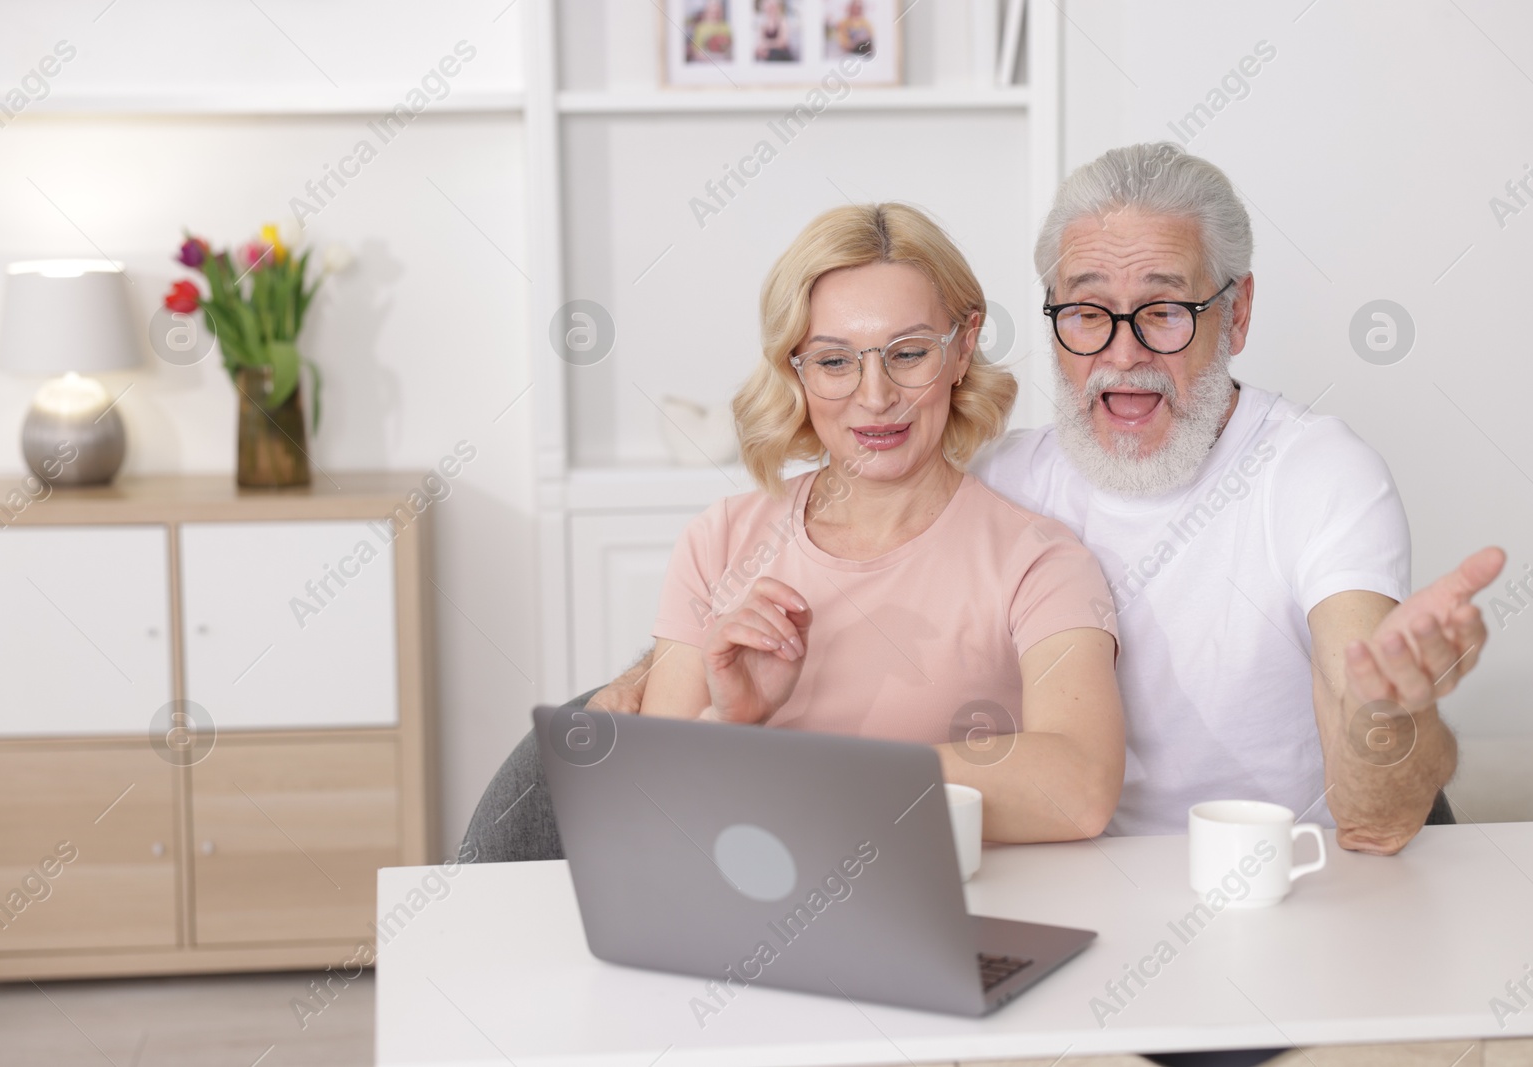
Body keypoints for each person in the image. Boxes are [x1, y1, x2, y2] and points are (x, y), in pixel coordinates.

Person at [588, 144, 1505, 858]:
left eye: (1165, 308)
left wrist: (1392, 706)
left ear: (1240, 312)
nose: (1122, 349)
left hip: (1281, 879)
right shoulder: (1000, 474)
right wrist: (664, 685)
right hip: (1073, 883)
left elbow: (1375, 814)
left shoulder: (1314, 477)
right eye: (1085, 310)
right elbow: (851, 566)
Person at [465, 203, 1126, 858]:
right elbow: (655, 813)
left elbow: (1080, 787)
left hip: (950, 918)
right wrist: (733, 722)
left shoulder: (1039, 560)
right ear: (794, 369)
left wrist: (802, 771)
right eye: (835, 361)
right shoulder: (721, 539)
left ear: (963, 346)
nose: (875, 396)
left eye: (909, 353)